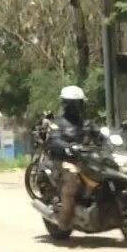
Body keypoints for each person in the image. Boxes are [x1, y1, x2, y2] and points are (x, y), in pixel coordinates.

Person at [46, 85, 105, 230]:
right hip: (64, 161)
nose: (78, 107)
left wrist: (107, 139)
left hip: (86, 159)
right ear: (66, 104)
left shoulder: (86, 122)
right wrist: (67, 147)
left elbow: (99, 135)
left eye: (80, 103)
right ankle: (64, 220)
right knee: (72, 176)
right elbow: (54, 140)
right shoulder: (57, 123)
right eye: (75, 103)